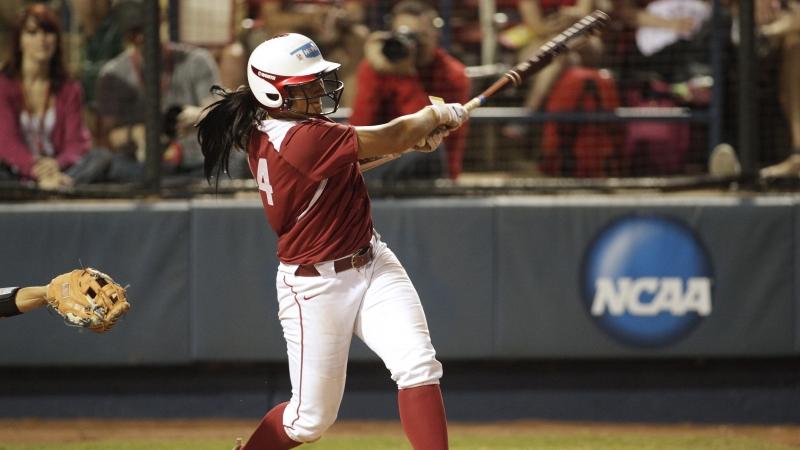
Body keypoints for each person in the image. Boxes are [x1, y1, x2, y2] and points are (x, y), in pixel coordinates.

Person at [195, 33, 468, 450]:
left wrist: (411, 143)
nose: (318, 91)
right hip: (315, 286)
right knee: (308, 422)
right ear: (273, 93)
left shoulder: (276, 127)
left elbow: (349, 164)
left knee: (418, 364)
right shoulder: (298, 138)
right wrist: (436, 115)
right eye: (304, 86)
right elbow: (392, 134)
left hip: (371, 261)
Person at [0, 3, 141, 189]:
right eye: (32, 33)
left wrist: (56, 164)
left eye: (48, 32)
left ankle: (56, 187)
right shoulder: (4, 85)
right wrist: (35, 168)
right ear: (20, 41)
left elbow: (76, 143)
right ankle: (51, 188)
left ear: (57, 39)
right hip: (19, 171)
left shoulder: (69, 88)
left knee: (100, 158)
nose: (42, 39)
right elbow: (6, 142)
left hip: (61, 170)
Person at [94, 0, 222, 176]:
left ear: (161, 21)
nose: (140, 38)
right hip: (137, 167)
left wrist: (197, 116)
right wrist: (136, 133)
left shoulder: (197, 61)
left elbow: (219, 114)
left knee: (229, 161)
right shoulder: (113, 75)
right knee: (106, 164)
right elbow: (106, 138)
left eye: (145, 29)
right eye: (132, 32)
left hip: (194, 162)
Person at [349, 0, 471, 181]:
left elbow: (428, 139)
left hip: (430, 172)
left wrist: (405, 77)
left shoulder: (452, 74)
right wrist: (378, 71)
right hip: (379, 165)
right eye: (403, 36)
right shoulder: (377, 67)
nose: (411, 44)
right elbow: (360, 128)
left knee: (424, 152)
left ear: (436, 35)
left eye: (419, 36)